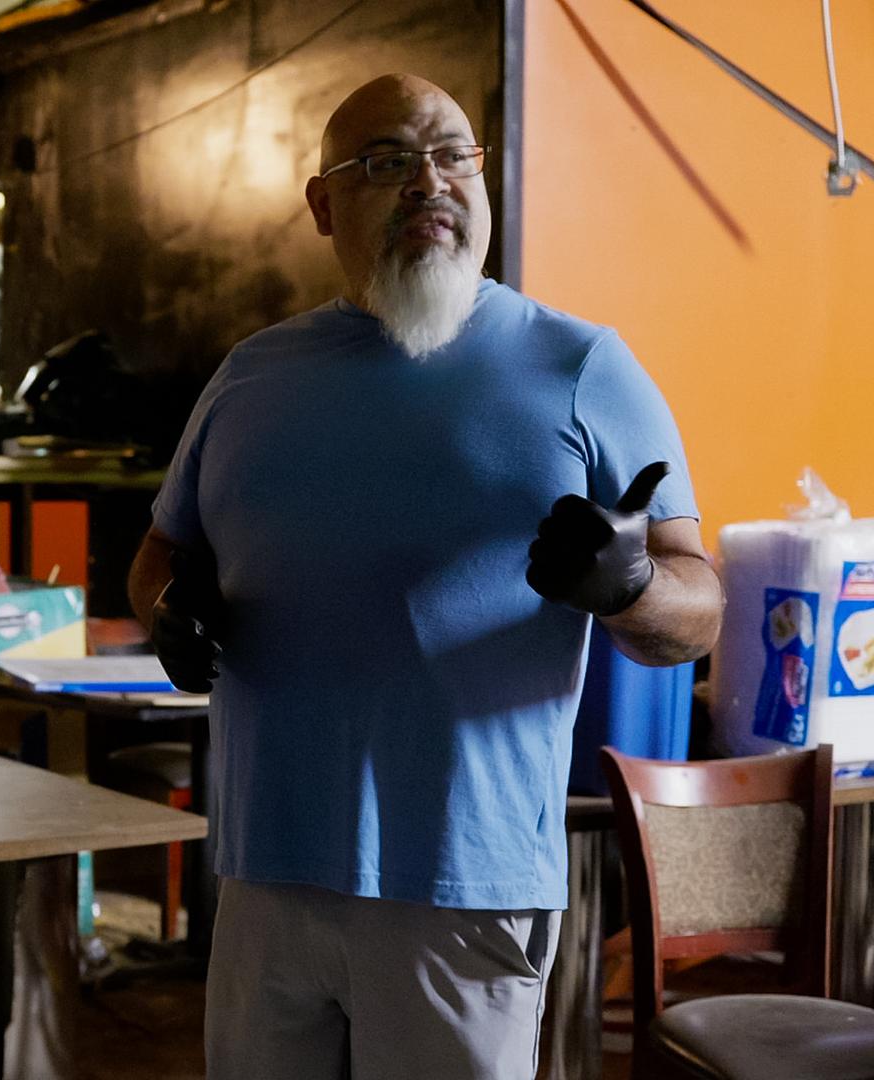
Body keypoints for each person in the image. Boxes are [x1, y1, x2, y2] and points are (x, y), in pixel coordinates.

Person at [129, 74, 724, 1079]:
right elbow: (158, 559)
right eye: (386, 163)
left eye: (453, 155)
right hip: (265, 871)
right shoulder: (250, 378)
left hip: (465, 883)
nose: (428, 182)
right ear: (322, 205)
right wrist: (168, 614)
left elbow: (697, 611)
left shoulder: (581, 366)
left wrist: (629, 587)